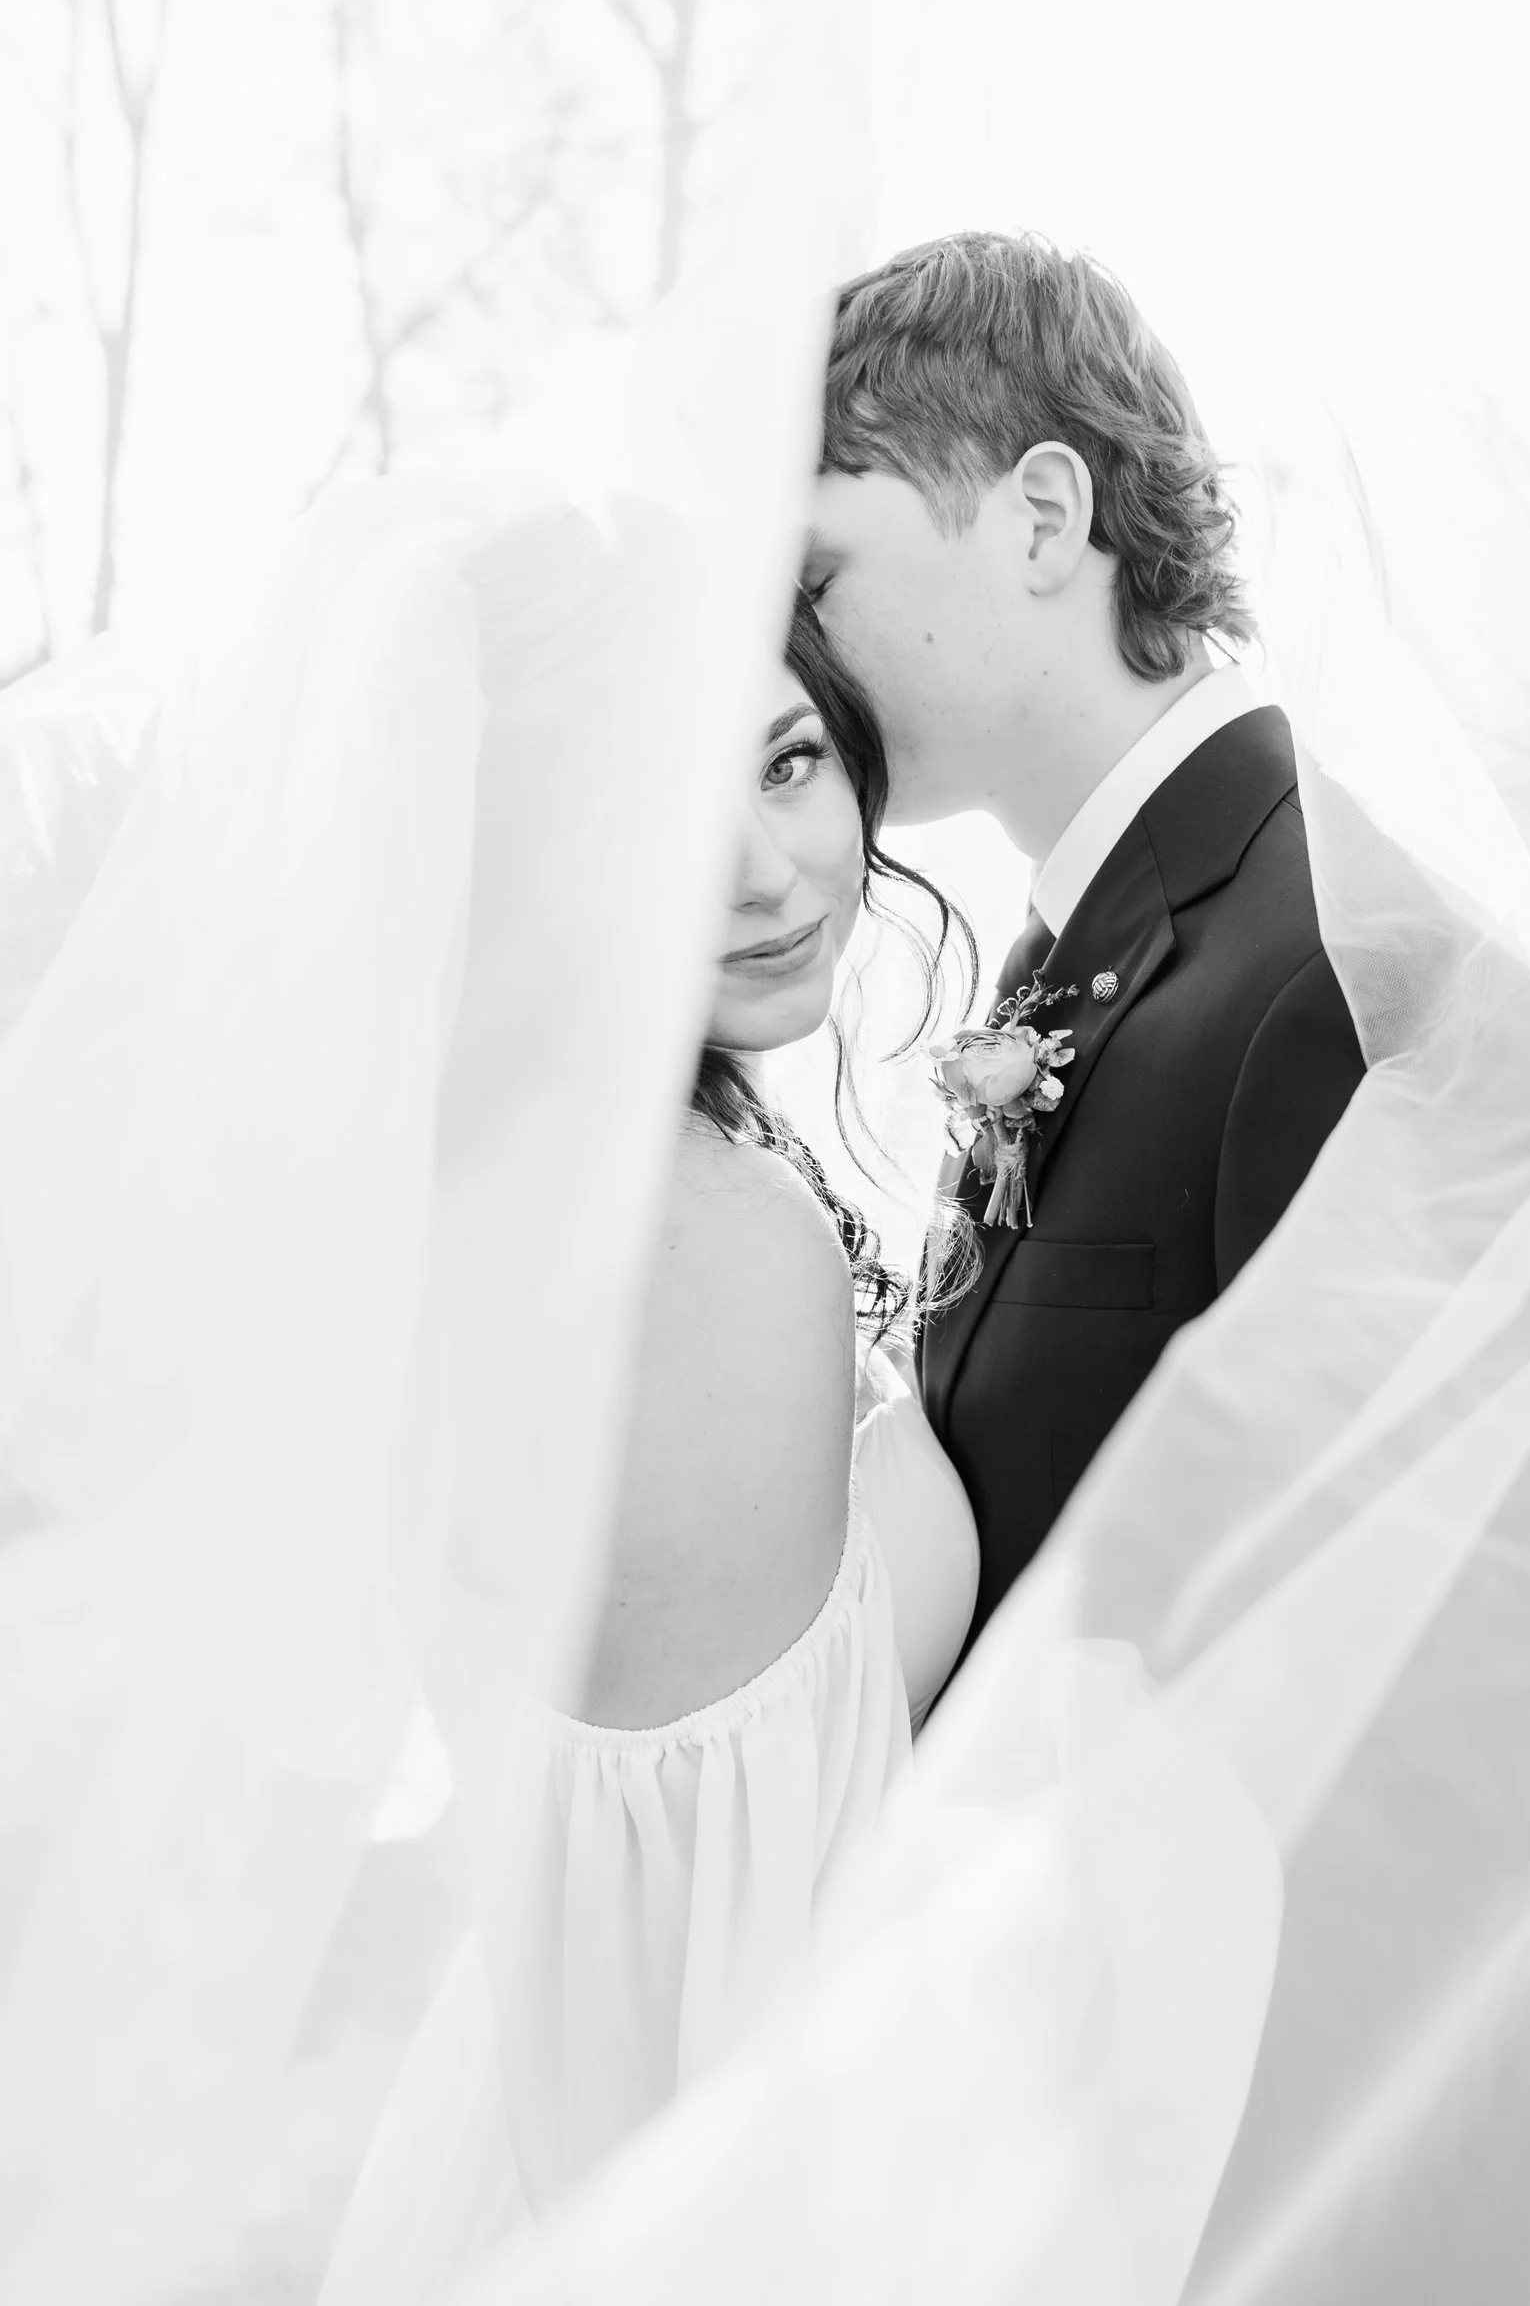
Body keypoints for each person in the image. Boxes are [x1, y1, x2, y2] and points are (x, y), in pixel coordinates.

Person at [317, 577, 981, 2298]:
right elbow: (716, 1931)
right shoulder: (692, 1242)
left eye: (784, 764)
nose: (766, 872)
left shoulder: (525, 1183)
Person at [805, 230, 1368, 1654]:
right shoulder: (1078, 937)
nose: (795, 665)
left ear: (1043, 519)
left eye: (816, 587)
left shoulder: (1321, 964)